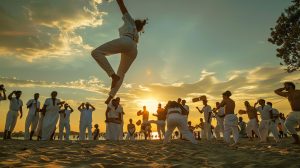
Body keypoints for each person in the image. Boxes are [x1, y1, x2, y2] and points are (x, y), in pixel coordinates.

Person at [91, 0, 147, 104]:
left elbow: (123, 9)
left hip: (126, 41)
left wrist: (119, 1)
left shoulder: (130, 22)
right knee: (121, 73)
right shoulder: (136, 34)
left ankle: (112, 75)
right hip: (133, 50)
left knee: (96, 52)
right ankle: (110, 97)